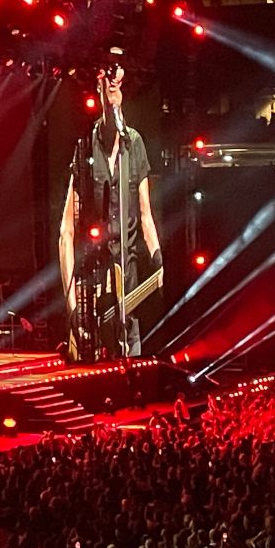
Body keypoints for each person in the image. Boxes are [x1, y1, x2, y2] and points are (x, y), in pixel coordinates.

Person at [58, 66, 162, 359]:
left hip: (126, 273)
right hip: (94, 276)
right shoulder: (84, 148)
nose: (115, 85)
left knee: (130, 354)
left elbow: (145, 213)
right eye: (108, 79)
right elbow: (66, 232)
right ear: (99, 85)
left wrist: (157, 256)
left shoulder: (135, 143)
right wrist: (73, 309)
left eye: (120, 80)